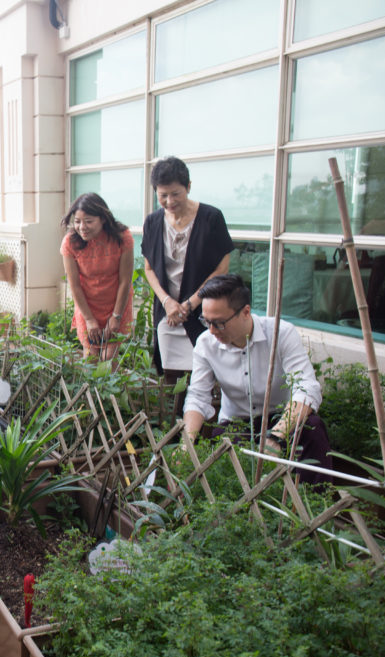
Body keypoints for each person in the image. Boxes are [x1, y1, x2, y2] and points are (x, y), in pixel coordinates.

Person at [182, 274, 333, 485]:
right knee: (224, 448)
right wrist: (186, 444)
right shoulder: (206, 344)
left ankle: (316, 504)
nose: (212, 330)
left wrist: (276, 436)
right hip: (237, 423)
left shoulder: (281, 333)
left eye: (219, 323)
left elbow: (306, 388)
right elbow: (198, 396)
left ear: (245, 312)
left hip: (281, 417)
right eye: (207, 322)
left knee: (313, 429)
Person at [141, 157, 233, 411]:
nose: (169, 202)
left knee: (203, 375)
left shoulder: (211, 218)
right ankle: (172, 429)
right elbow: (149, 269)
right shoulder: (152, 222)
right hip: (168, 313)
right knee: (170, 377)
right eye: (162, 196)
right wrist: (167, 302)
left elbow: (221, 269)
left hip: (201, 311)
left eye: (175, 194)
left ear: (188, 186)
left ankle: (201, 431)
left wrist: (191, 303)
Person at [59, 192, 134, 360]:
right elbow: (75, 285)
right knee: (91, 356)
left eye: (89, 221)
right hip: (88, 305)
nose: (82, 227)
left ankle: (111, 387)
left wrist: (116, 317)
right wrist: (89, 319)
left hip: (116, 304)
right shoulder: (70, 242)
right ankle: (90, 388)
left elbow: (125, 281)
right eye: (77, 222)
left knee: (109, 357)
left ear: (103, 219)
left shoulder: (122, 238)